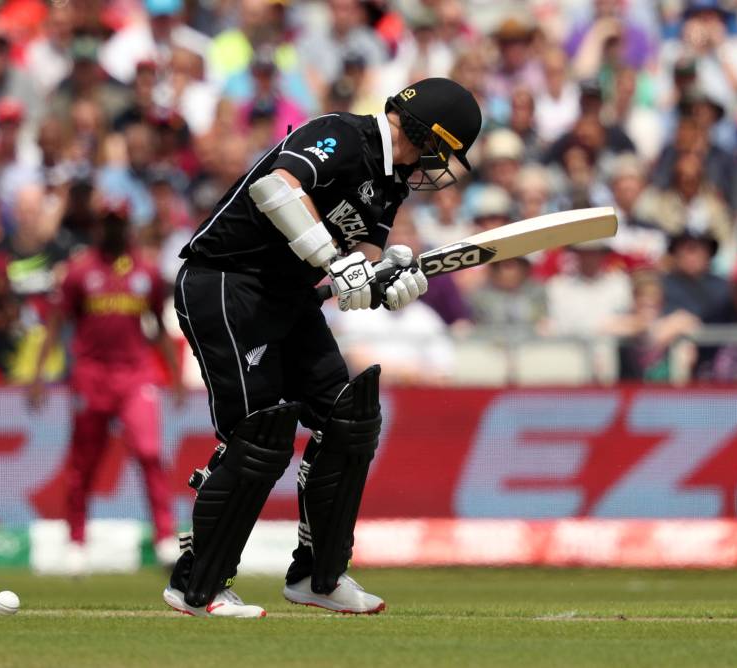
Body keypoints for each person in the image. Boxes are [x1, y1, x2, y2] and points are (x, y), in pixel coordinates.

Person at [164, 77, 480, 616]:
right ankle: (198, 585)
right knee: (259, 432)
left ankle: (318, 575)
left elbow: (357, 265)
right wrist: (338, 262)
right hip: (226, 281)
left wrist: (384, 280)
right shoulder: (340, 134)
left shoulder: (391, 183)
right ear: (425, 134)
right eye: (443, 150)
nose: (440, 165)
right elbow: (277, 189)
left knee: (348, 419)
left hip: (289, 298)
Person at [29, 201, 184, 573]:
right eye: (108, 222)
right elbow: (56, 322)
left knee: (149, 452)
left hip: (136, 374)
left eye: (119, 222)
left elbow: (158, 326)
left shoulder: (145, 270)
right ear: (100, 226)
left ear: (127, 224)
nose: (114, 229)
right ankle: (76, 540)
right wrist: (38, 374)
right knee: (84, 461)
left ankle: (164, 537)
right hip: (91, 375)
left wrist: (175, 375)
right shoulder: (80, 271)